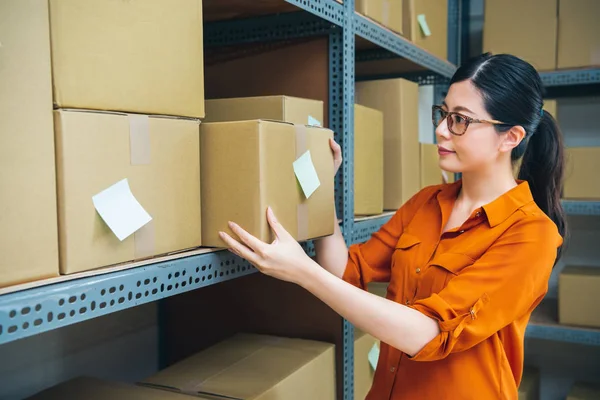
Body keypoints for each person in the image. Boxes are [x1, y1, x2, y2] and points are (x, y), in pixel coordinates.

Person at [218, 52, 567, 399]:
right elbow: (345, 270)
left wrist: (302, 271)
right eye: (443, 113)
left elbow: (429, 333)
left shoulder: (531, 235)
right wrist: (322, 191)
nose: (441, 130)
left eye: (460, 120)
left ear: (511, 137)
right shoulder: (427, 203)